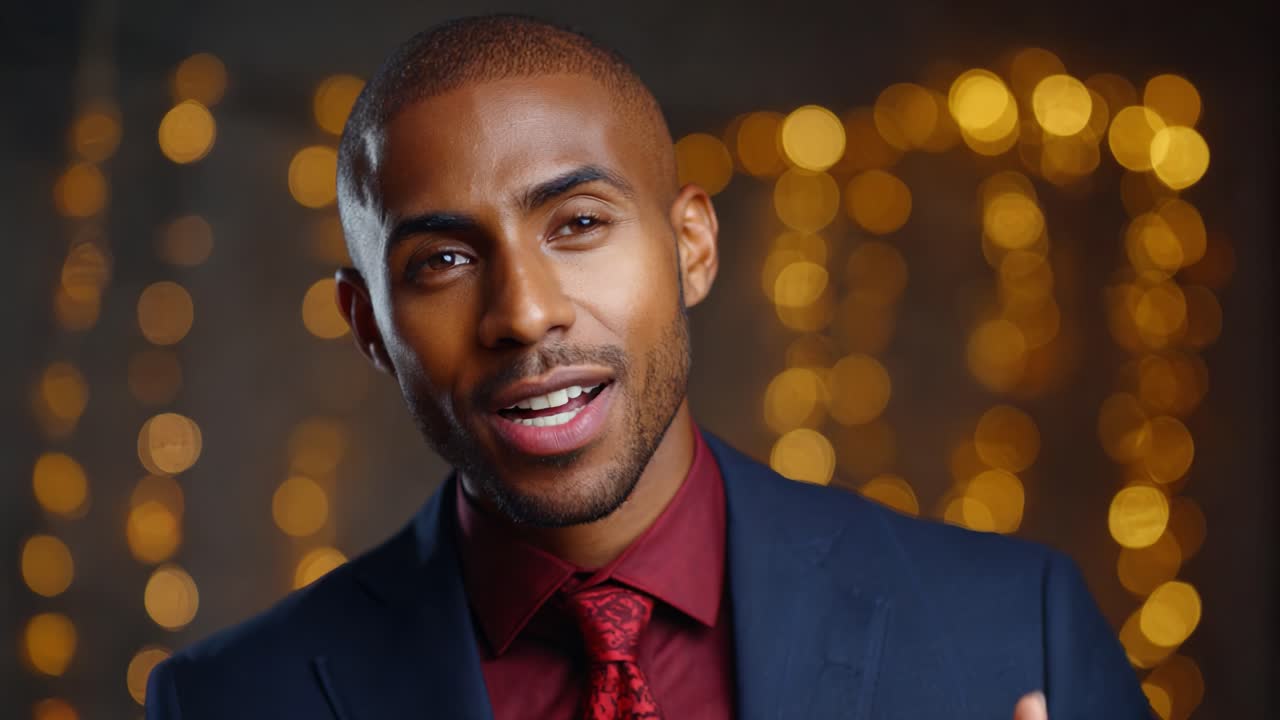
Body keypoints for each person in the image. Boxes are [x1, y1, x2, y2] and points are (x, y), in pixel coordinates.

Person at [146, 14, 1150, 720]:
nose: (523, 312)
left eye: (577, 224)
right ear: (368, 326)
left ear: (692, 248)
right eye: (442, 261)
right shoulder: (230, 700)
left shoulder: (1017, 630)